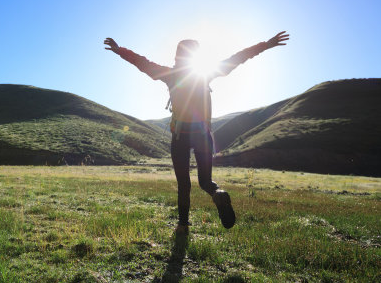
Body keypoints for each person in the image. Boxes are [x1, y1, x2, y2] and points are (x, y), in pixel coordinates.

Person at [104, 31, 289, 234]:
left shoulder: (170, 75)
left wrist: (118, 50)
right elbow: (238, 58)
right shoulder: (206, 74)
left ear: (177, 57)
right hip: (203, 135)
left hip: (180, 136)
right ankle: (217, 193)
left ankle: (183, 226)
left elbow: (141, 62)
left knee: (184, 184)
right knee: (205, 181)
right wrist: (266, 44)